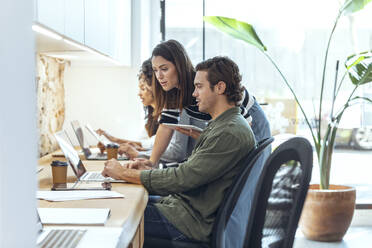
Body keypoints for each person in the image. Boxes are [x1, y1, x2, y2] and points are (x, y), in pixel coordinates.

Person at [102, 56, 256, 243]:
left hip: (186, 222)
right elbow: (188, 171)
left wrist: (123, 174)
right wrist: (145, 171)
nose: (194, 94)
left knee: (112, 217)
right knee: (120, 202)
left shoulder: (229, 132)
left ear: (220, 88)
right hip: (181, 208)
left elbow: (183, 178)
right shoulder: (222, 125)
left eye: (199, 87)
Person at [130, 39, 271, 168]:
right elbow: (165, 127)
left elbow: (243, 123)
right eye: (155, 70)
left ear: (179, 66)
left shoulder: (199, 82)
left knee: (251, 175)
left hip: (251, 117)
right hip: (237, 122)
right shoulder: (172, 94)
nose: (159, 76)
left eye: (164, 69)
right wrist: (152, 161)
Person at [96, 58, 188, 162]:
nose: (139, 93)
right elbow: (152, 145)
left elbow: (176, 152)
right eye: (156, 71)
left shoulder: (178, 107)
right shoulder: (165, 112)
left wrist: (139, 153)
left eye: (144, 88)